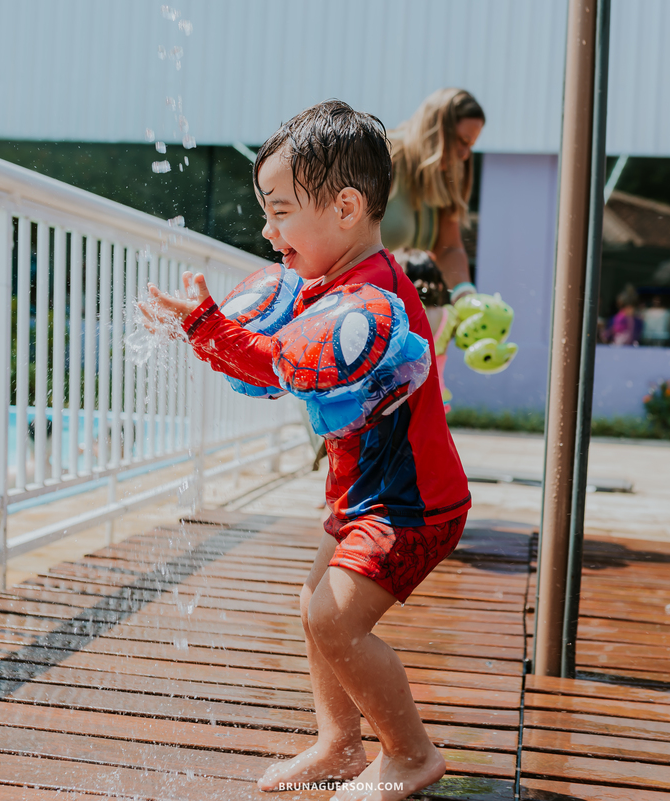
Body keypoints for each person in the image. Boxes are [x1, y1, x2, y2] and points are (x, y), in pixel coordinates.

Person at [141, 101, 469, 801]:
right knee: (312, 602)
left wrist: (209, 329)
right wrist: (199, 330)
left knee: (334, 617)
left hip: (412, 503)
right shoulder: (327, 282)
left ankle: (409, 753)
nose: (268, 231)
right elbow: (260, 346)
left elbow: (281, 363)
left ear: (346, 208)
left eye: (282, 212)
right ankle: (340, 742)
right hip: (363, 498)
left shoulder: (374, 295)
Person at [382, 88, 485, 400]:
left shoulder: (443, 176)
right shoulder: (383, 156)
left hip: (410, 330)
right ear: (436, 129)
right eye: (462, 142)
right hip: (365, 320)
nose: (466, 154)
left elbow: (449, 247)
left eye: (472, 145)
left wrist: (466, 296)